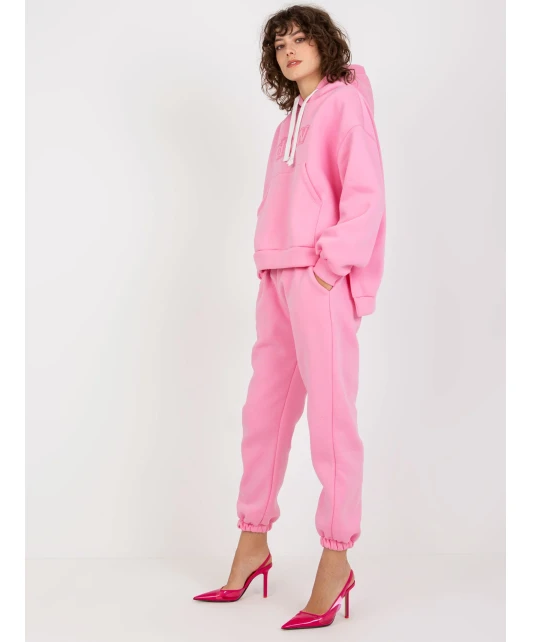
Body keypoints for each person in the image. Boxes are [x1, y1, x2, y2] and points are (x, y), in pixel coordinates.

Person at [193, 6, 386, 630]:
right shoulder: (287, 124)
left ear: (325, 44)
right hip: (277, 275)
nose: (290, 49)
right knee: (263, 415)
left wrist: (331, 267)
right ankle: (253, 541)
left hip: (318, 277)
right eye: (280, 44)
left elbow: (366, 195)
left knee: (331, 422)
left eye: (301, 38)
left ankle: (337, 558)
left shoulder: (344, 105)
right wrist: (268, 261)